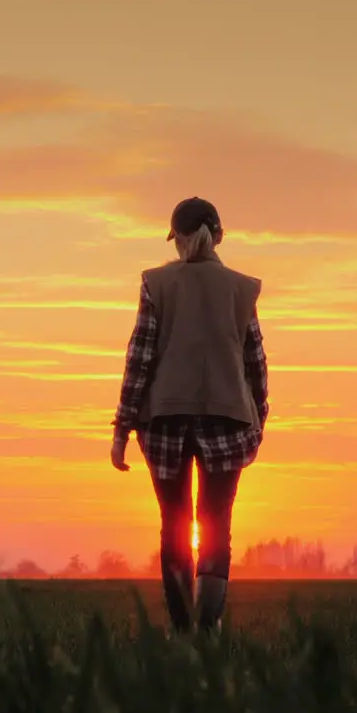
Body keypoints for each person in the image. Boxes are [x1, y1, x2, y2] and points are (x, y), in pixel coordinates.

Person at [109, 196, 269, 634]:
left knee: (174, 524)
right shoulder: (241, 288)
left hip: (165, 422)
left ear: (177, 239)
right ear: (218, 236)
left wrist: (122, 427)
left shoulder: (155, 284)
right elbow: (255, 363)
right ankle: (207, 630)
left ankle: (183, 632)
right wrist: (259, 420)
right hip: (228, 420)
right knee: (217, 525)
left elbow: (140, 357)